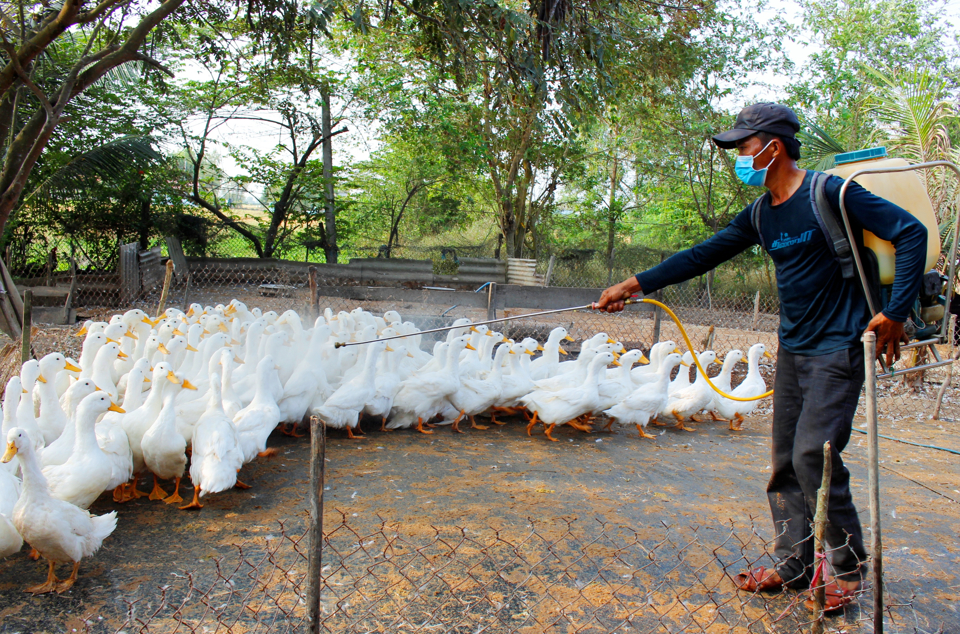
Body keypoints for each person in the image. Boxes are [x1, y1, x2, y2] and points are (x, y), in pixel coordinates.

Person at [596, 103, 927, 611]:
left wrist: (897, 311)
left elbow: (911, 233)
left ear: (773, 147)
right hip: (794, 347)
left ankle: (848, 568)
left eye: (744, 146)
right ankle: (794, 563)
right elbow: (702, 254)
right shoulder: (760, 214)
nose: (740, 156)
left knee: (813, 457)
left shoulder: (832, 194)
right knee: (783, 463)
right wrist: (632, 285)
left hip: (839, 345)